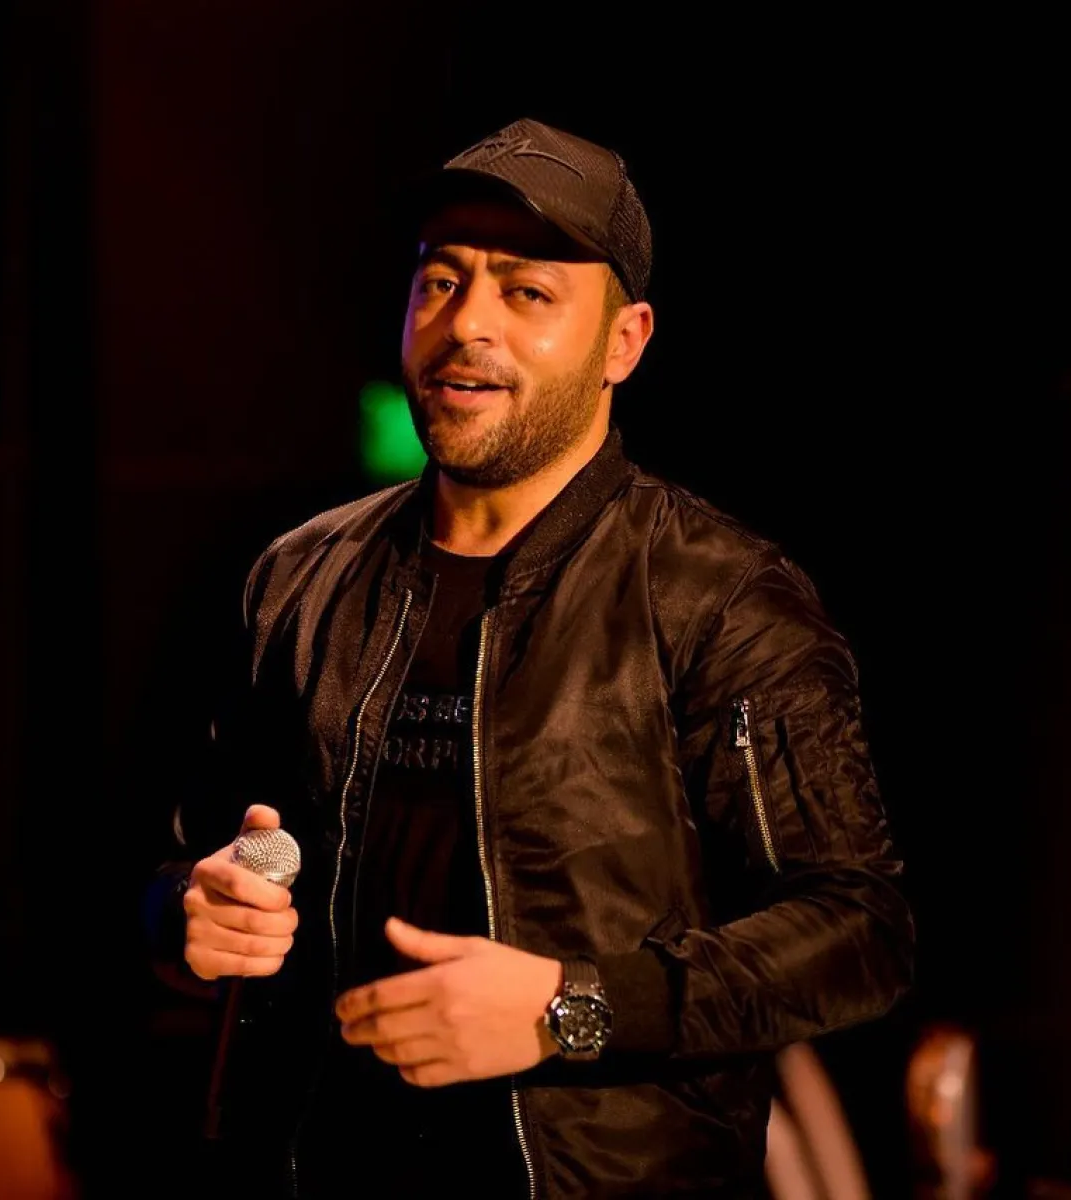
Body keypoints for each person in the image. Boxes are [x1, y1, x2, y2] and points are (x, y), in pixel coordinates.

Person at [147, 116, 914, 1199]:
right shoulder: (300, 576)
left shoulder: (718, 597)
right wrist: (193, 913)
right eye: (441, 281)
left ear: (624, 343)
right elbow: (184, 870)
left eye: (527, 292)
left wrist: (568, 1007)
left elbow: (857, 932)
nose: (467, 323)